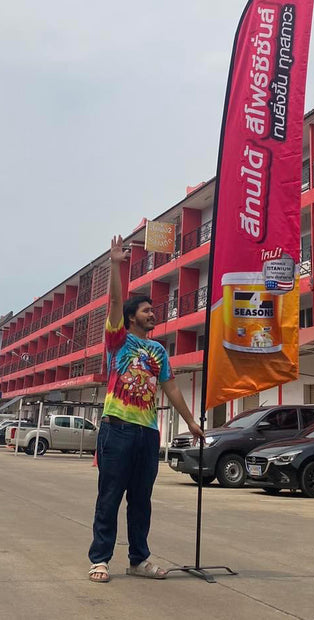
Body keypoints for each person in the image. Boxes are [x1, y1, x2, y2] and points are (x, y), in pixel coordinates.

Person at [88, 235, 204, 582]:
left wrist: (191, 423)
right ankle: (100, 559)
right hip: (117, 428)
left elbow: (170, 388)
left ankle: (138, 559)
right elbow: (113, 302)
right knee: (110, 496)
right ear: (131, 318)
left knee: (142, 501)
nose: (153, 314)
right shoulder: (118, 340)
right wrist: (116, 264)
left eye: (152, 310)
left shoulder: (159, 352)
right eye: (146, 311)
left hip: (148, 433)